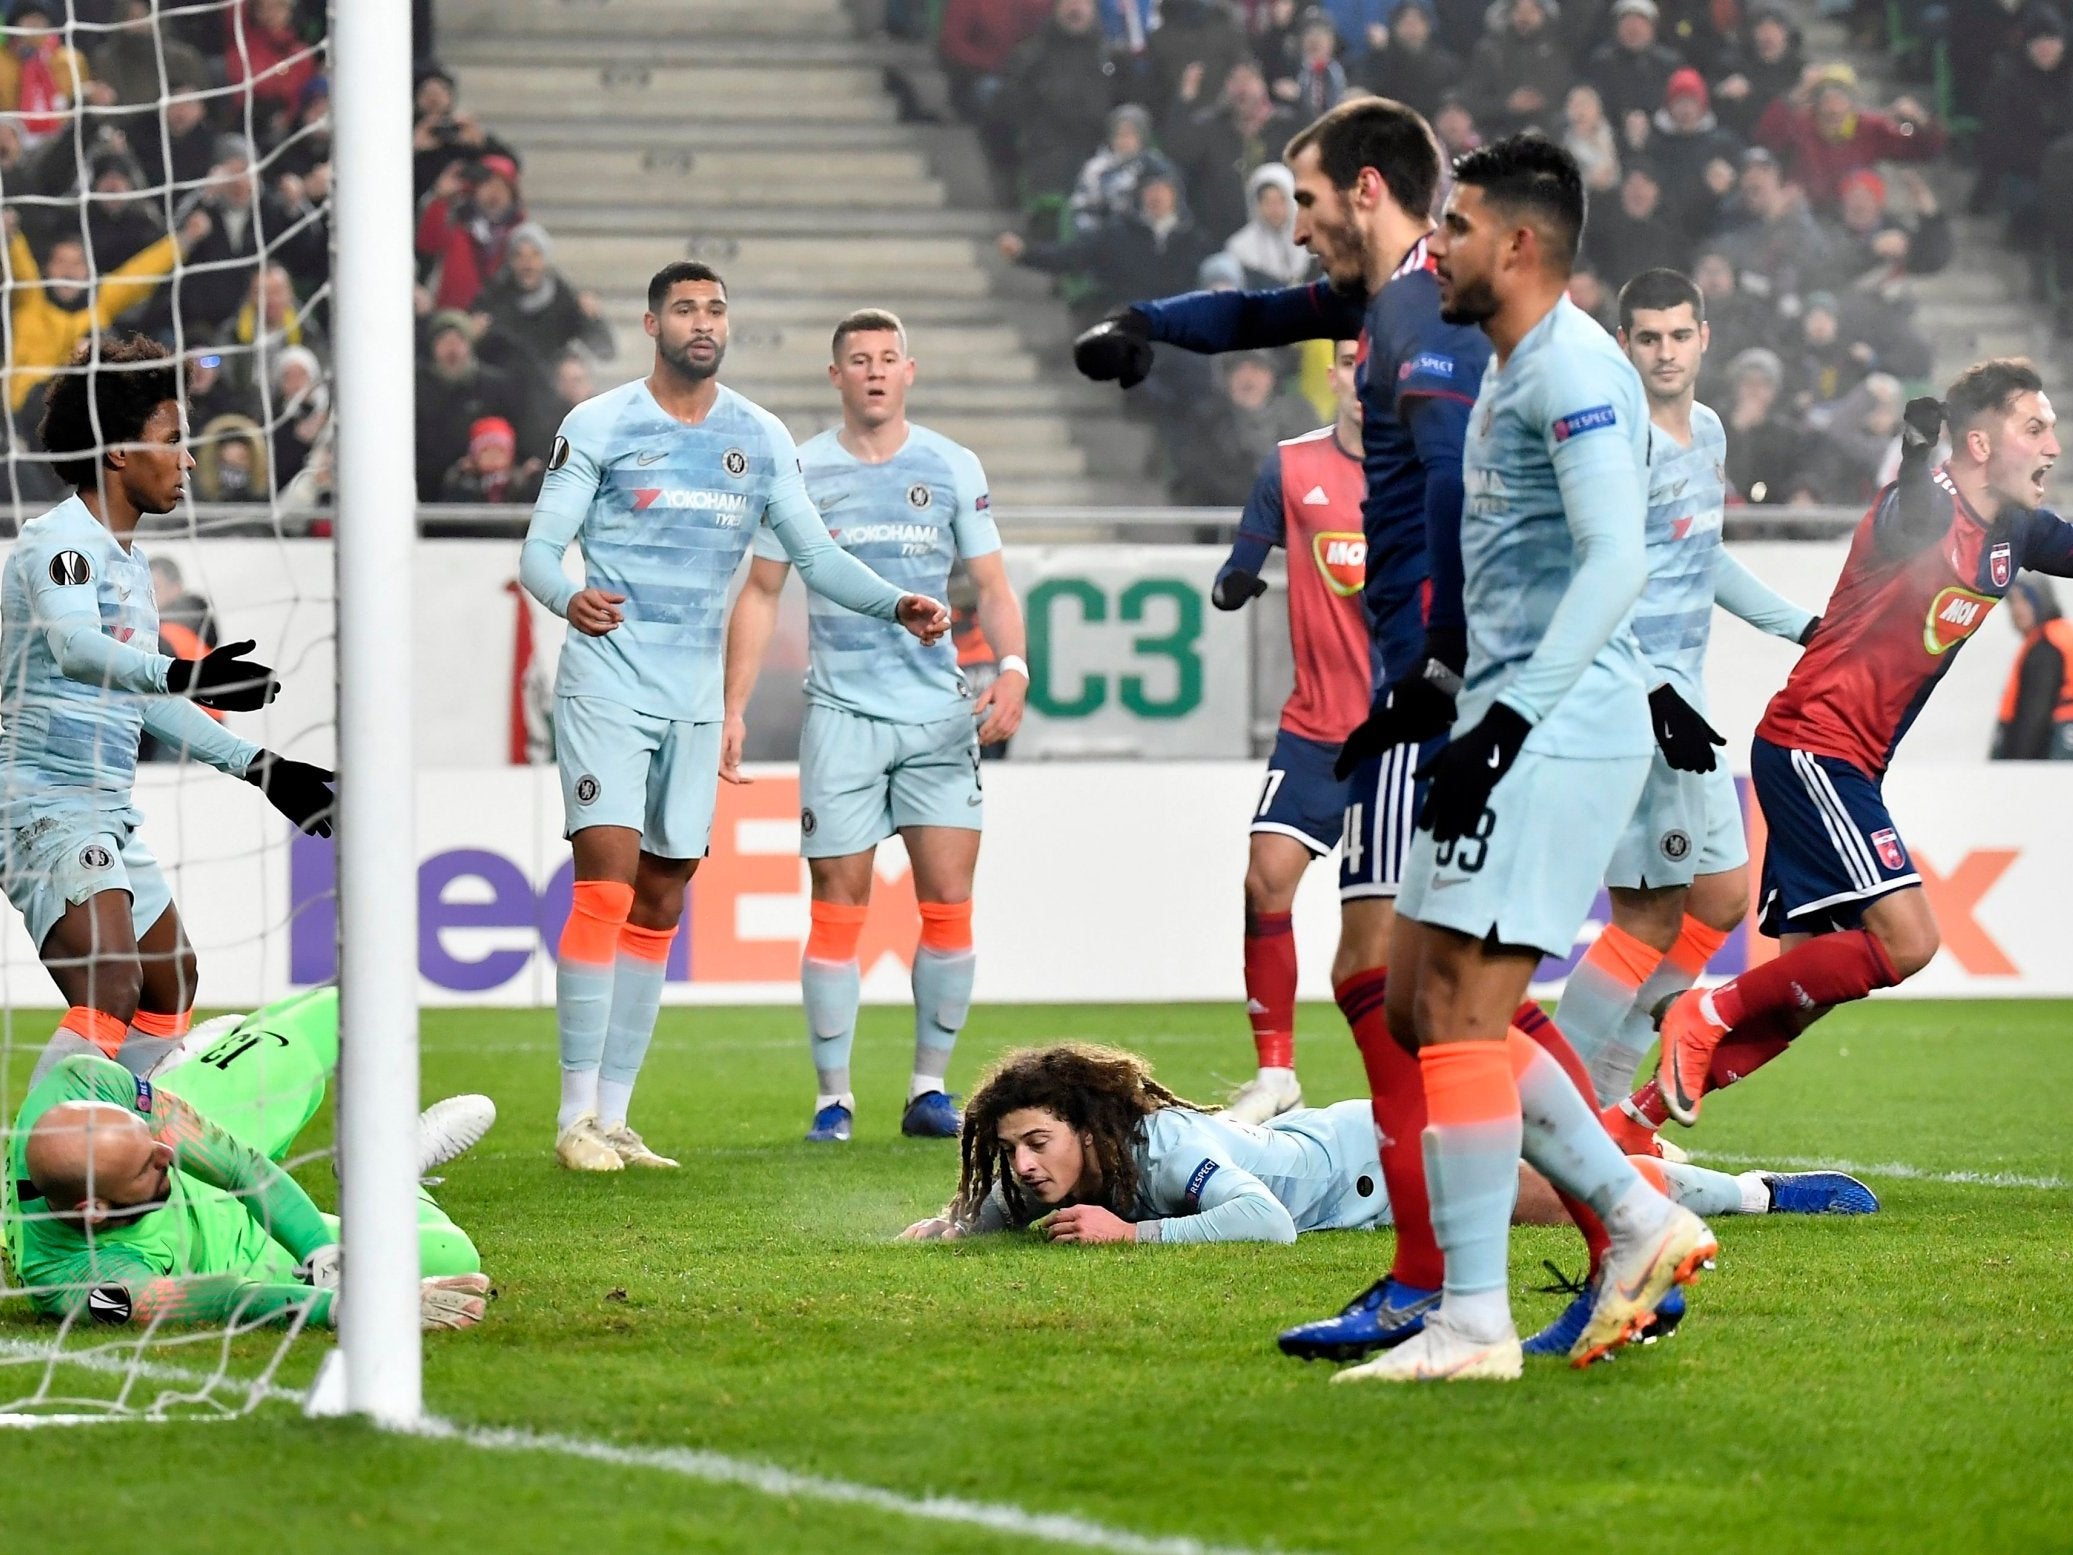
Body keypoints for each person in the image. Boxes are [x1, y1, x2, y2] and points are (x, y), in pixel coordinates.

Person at [1078, 100, 1608, 1364]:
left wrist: (1434, 660)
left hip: (1432, 691)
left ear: (1366, 189)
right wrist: (1145, 326)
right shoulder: (1403, 300)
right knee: (1419, 990)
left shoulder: (1430, 311)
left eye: (1307, 201)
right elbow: (1255, 316)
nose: (1295, 225)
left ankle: (1486, 1261)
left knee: (1396, 984)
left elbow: (1454, 485)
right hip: (1430, 684)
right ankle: (1573, 1235)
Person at [1333, 136, 1716, 1384]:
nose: (1431, 244)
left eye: (1454, 224)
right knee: (1415, 1000)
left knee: (1461, 1008)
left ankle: (1474, 1321)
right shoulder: (1508, 369)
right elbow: (1517, 568)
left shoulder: (1577, 373)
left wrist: (1502, 728)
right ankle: (1640, 1216)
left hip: (1556, 731)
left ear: (1520, 244)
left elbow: (1615, 562)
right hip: (1498, 717)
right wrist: (1433, 690)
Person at [520, 263, 951, 1173]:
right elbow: (537, 551)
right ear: (652, 324)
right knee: (604, 885)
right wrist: (569, 597)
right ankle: (571, 1118)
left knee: (663, 895)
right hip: (606, 680)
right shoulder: (599, 422)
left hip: (693, 699)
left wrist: (894, 603)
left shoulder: (757, 436)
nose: (703, 321)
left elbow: (816, 557)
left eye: (715, 308)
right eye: (685, 308)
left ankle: (615, 1115)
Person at [1651, 362, 2073, 1130]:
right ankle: (1702, 1007)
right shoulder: (1919, 511)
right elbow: (1909, 515)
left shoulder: (2014, 528)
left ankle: (1632, 1119)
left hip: (1845, 762)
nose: (2053, 443)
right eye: (2034, 427)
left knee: (1801, 993)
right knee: (1907, 941)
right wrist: (1914, 451)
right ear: (1978, 442)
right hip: (1814, 745)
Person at [722, 309, 1027, 1143]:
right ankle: (834, 1098)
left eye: (888, 358)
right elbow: (760, 591)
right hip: (843, 716)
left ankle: (929, 1089)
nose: (875, 371)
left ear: (909, 371)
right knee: (838, 905)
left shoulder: (951, 465)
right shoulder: (804, 469)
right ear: (836, 377)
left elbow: (992, 584)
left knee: (948, 903)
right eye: (858, 360)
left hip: (936, 715)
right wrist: (733, 706)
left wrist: (1012, 667)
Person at [0, 336, 335, 1083]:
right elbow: (78, 649)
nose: (188, 458)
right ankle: (36, 1167)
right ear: (119, 452)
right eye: (173, 439)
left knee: (169, 982)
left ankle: (115, 1142)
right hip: (40, 803)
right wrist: (183, 670)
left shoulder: (131, 563)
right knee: (111, 983)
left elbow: (145, 699)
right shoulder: (59, 545)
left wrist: (261, 766)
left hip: (105, 808)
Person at [1551, 269, 1815, 1161]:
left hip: (1684, 702)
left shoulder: (1705, 431)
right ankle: (1562, 1108)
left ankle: (1611, 1098)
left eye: (1677, 334)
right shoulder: (1616, 444)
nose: (1664, 351)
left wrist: (1799, 624)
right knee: (1645, 915)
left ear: (1704, 335)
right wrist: (1653, 694)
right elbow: (1601, 570)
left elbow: (1703, 558)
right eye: (1647, 337)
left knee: (1722, 897)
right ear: (1625, 346)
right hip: (1633, 698)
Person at [897, 1042, 1872, 1243]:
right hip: (1359, 1168)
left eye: (1035, 1143)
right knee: (1576, 1186)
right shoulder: (1062, 1167)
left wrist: (1134, 1238)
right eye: (1012, 1150)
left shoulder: (1152, 1154)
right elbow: (1003, 1203)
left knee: (1581, 1186)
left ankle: (1759, 1194)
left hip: (1392, 1151)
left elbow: (1266, 1222)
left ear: (1085, 1128)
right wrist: (954, 1224)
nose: (1026, 1168)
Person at [3, 986, 494, 1331]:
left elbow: (237, 1166)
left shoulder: (82, 1081)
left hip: (213, 1122)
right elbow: (226, 1299)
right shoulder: (81, 1281)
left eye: (151, 1143)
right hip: (232, 1252)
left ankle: (198, 1058)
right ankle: (388, 1172)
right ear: (94, 1210)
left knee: (346, 1005)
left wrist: (318, 1249)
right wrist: (346, 1306)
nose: (164, 1156)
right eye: (146, 1164)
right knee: (452, 1254)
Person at [1212, 340, 1372, 1123]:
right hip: (1314, 729)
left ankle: (1421, 1076)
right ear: (1333, 373)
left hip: (1403, 740)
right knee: (1263, 878)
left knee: (1380, 938)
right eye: (1348, 360)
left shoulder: (1439, 471)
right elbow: (1250, 542)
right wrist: (1237, 575)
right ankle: (1276, 1073)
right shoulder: (1289, 465)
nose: (1362, 375)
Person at [3, 205, 209, 414]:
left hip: (75, 417)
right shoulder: (29, 301)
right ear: (47, 269)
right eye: (61, 262)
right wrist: (10, 236)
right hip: (21, 418)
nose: (68, 271)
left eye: (77, 264)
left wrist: (185, 239)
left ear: (87, 271)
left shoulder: (99, 304)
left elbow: (140, 273)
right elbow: (21, 268)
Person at [1991, 575, 2073, 758]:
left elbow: (2035, 716)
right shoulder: (2061, 637)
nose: (2017, 609)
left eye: (2025, 599)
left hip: (2047, 763)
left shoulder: (2044, 649)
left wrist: (2018, 767)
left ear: (2042, 600)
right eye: (2012, 601)